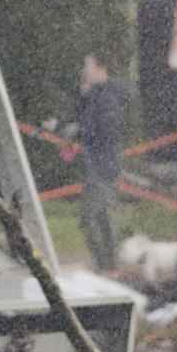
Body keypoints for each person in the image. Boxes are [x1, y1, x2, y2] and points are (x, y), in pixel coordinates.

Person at [70, 50, 129, 273]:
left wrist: (81, 129)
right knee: (101, 217)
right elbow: (85, 118)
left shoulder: (109, 97)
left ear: (100, 68)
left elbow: (105, 128)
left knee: (90, 218)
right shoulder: (95, 95)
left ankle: (106, 264)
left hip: (102, 165)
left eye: (88, 66)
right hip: (94, 163)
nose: (85, 71)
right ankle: (108, 265)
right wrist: (84, 98)